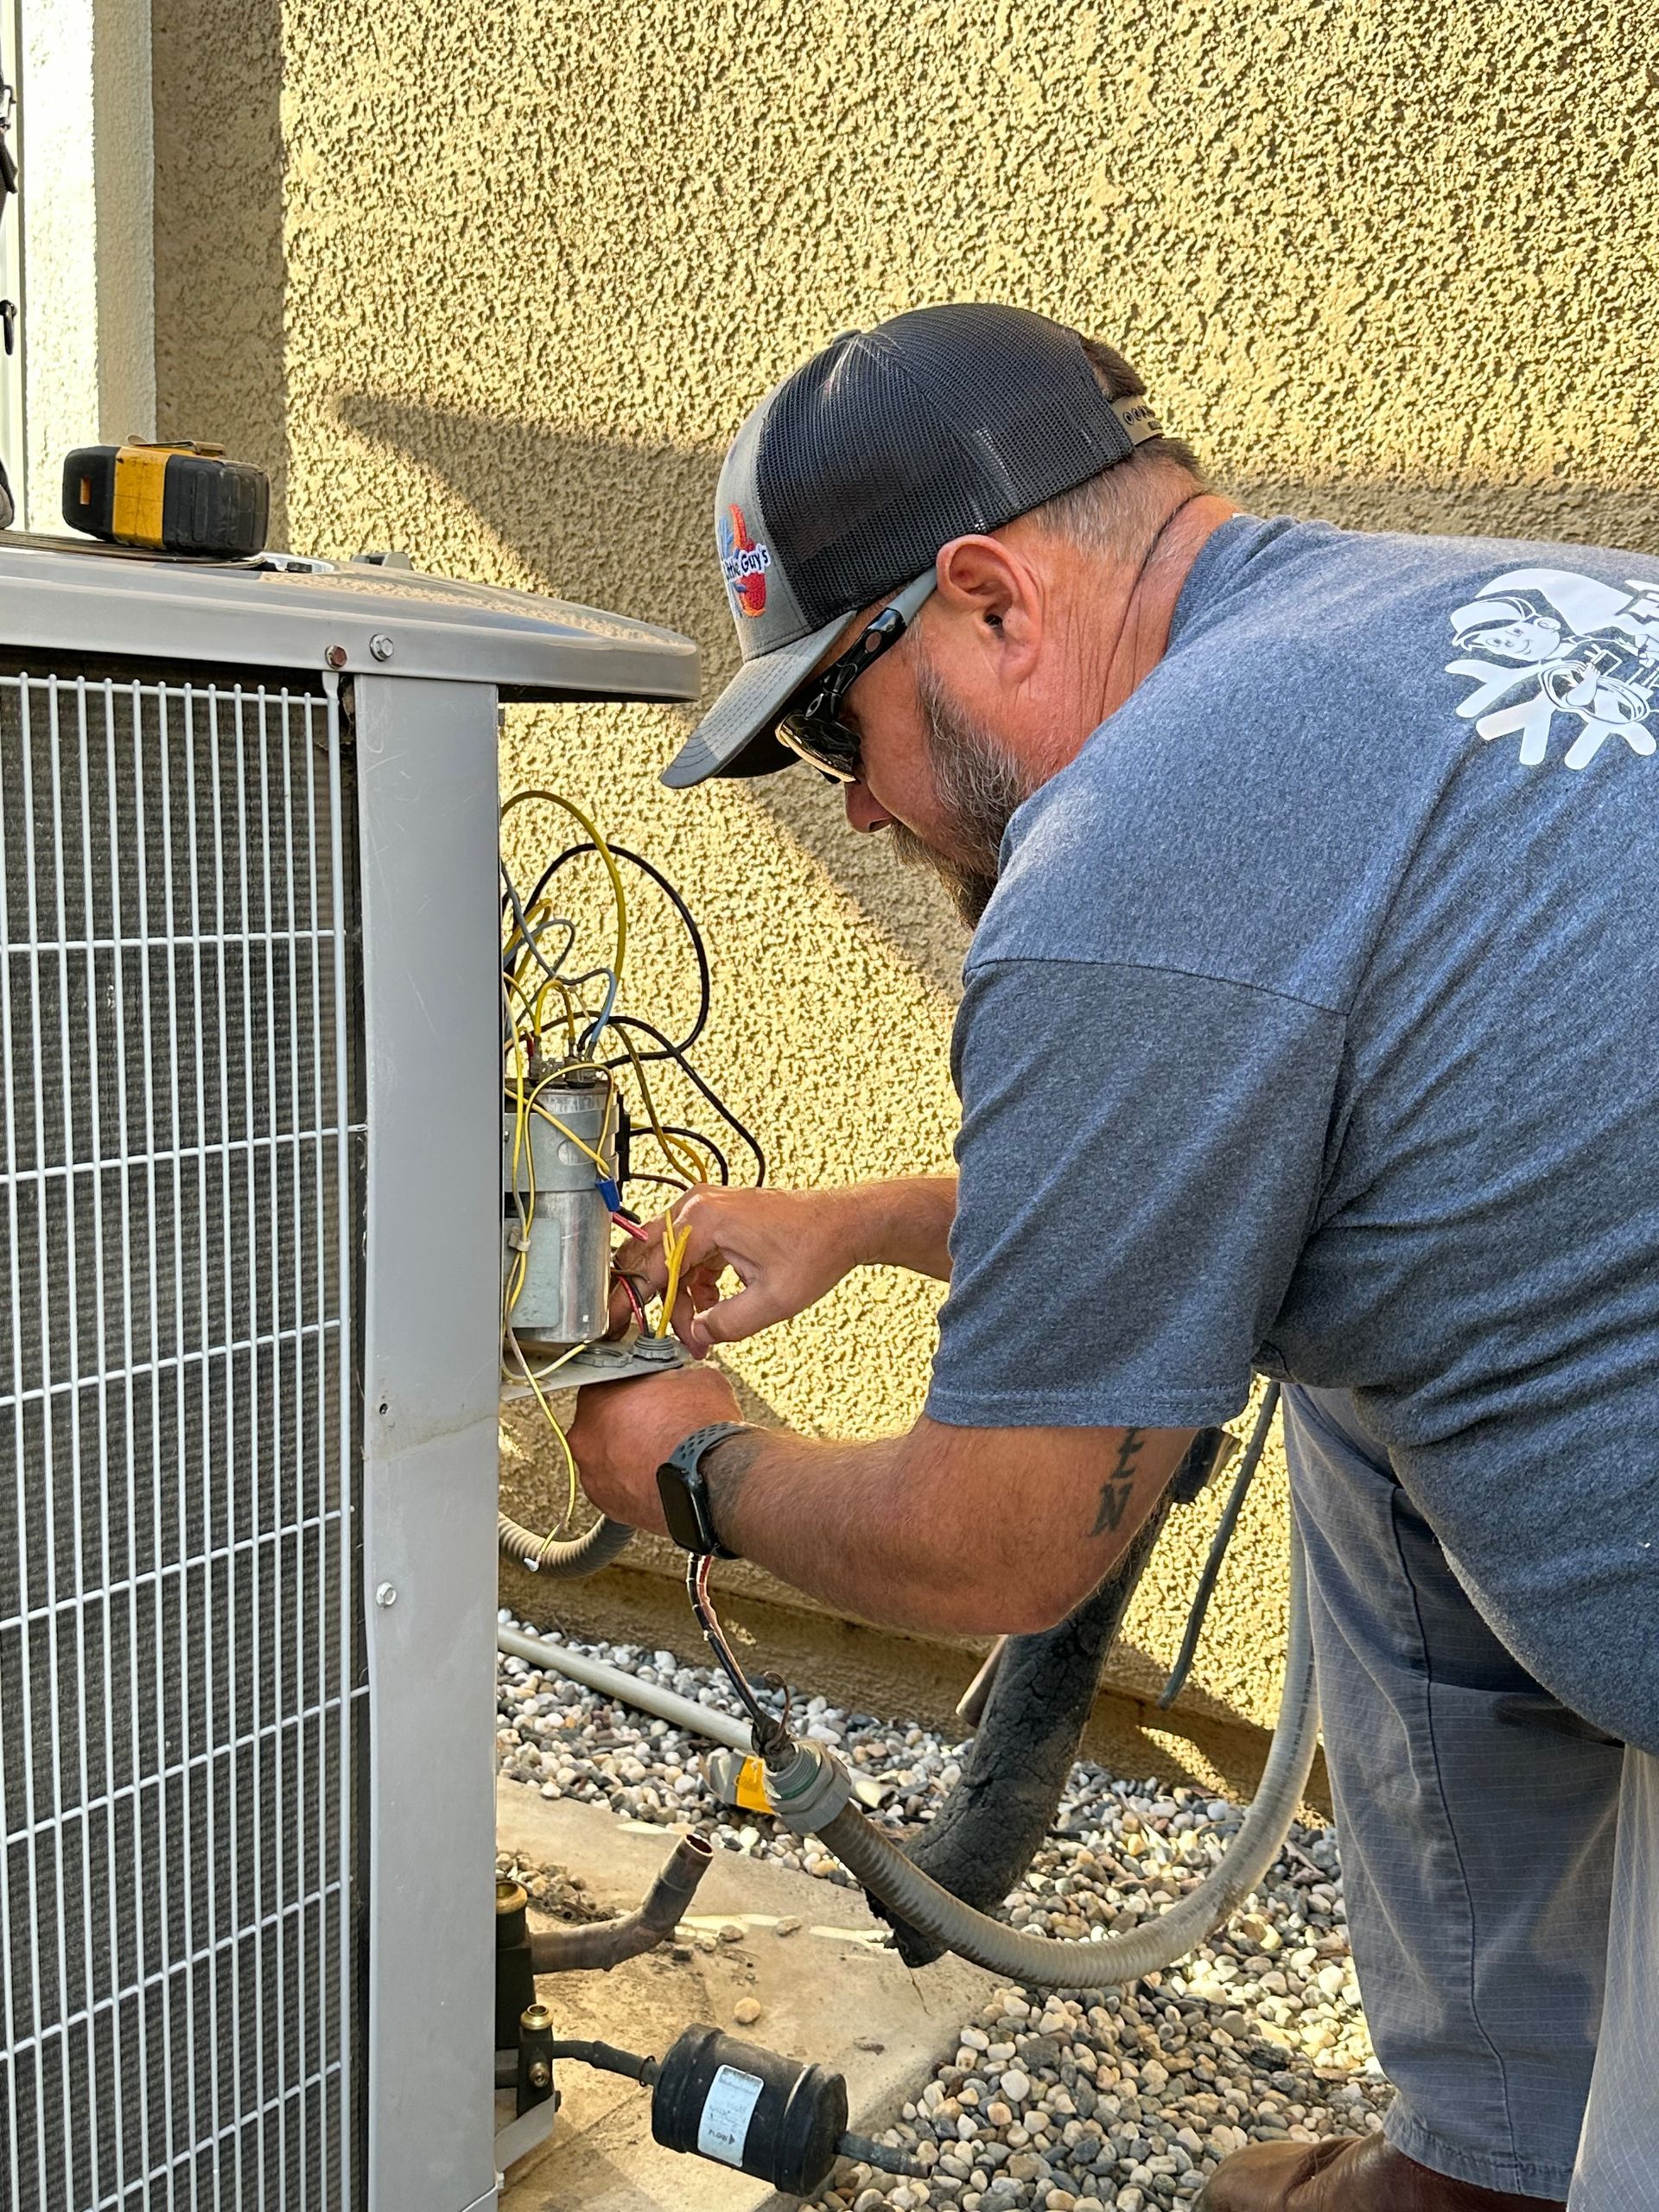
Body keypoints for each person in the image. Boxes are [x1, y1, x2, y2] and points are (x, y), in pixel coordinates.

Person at [566, 302, 1659, 2210]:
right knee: (1351, 1375)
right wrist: (871, 1222)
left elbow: (1010, 1534)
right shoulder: (1434, 626)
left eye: (836, 715)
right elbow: (1318, 1167)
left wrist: (692, 1469)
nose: (855, 799)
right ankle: (1485, 2155)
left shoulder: (1136, 838)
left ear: (987, 598)